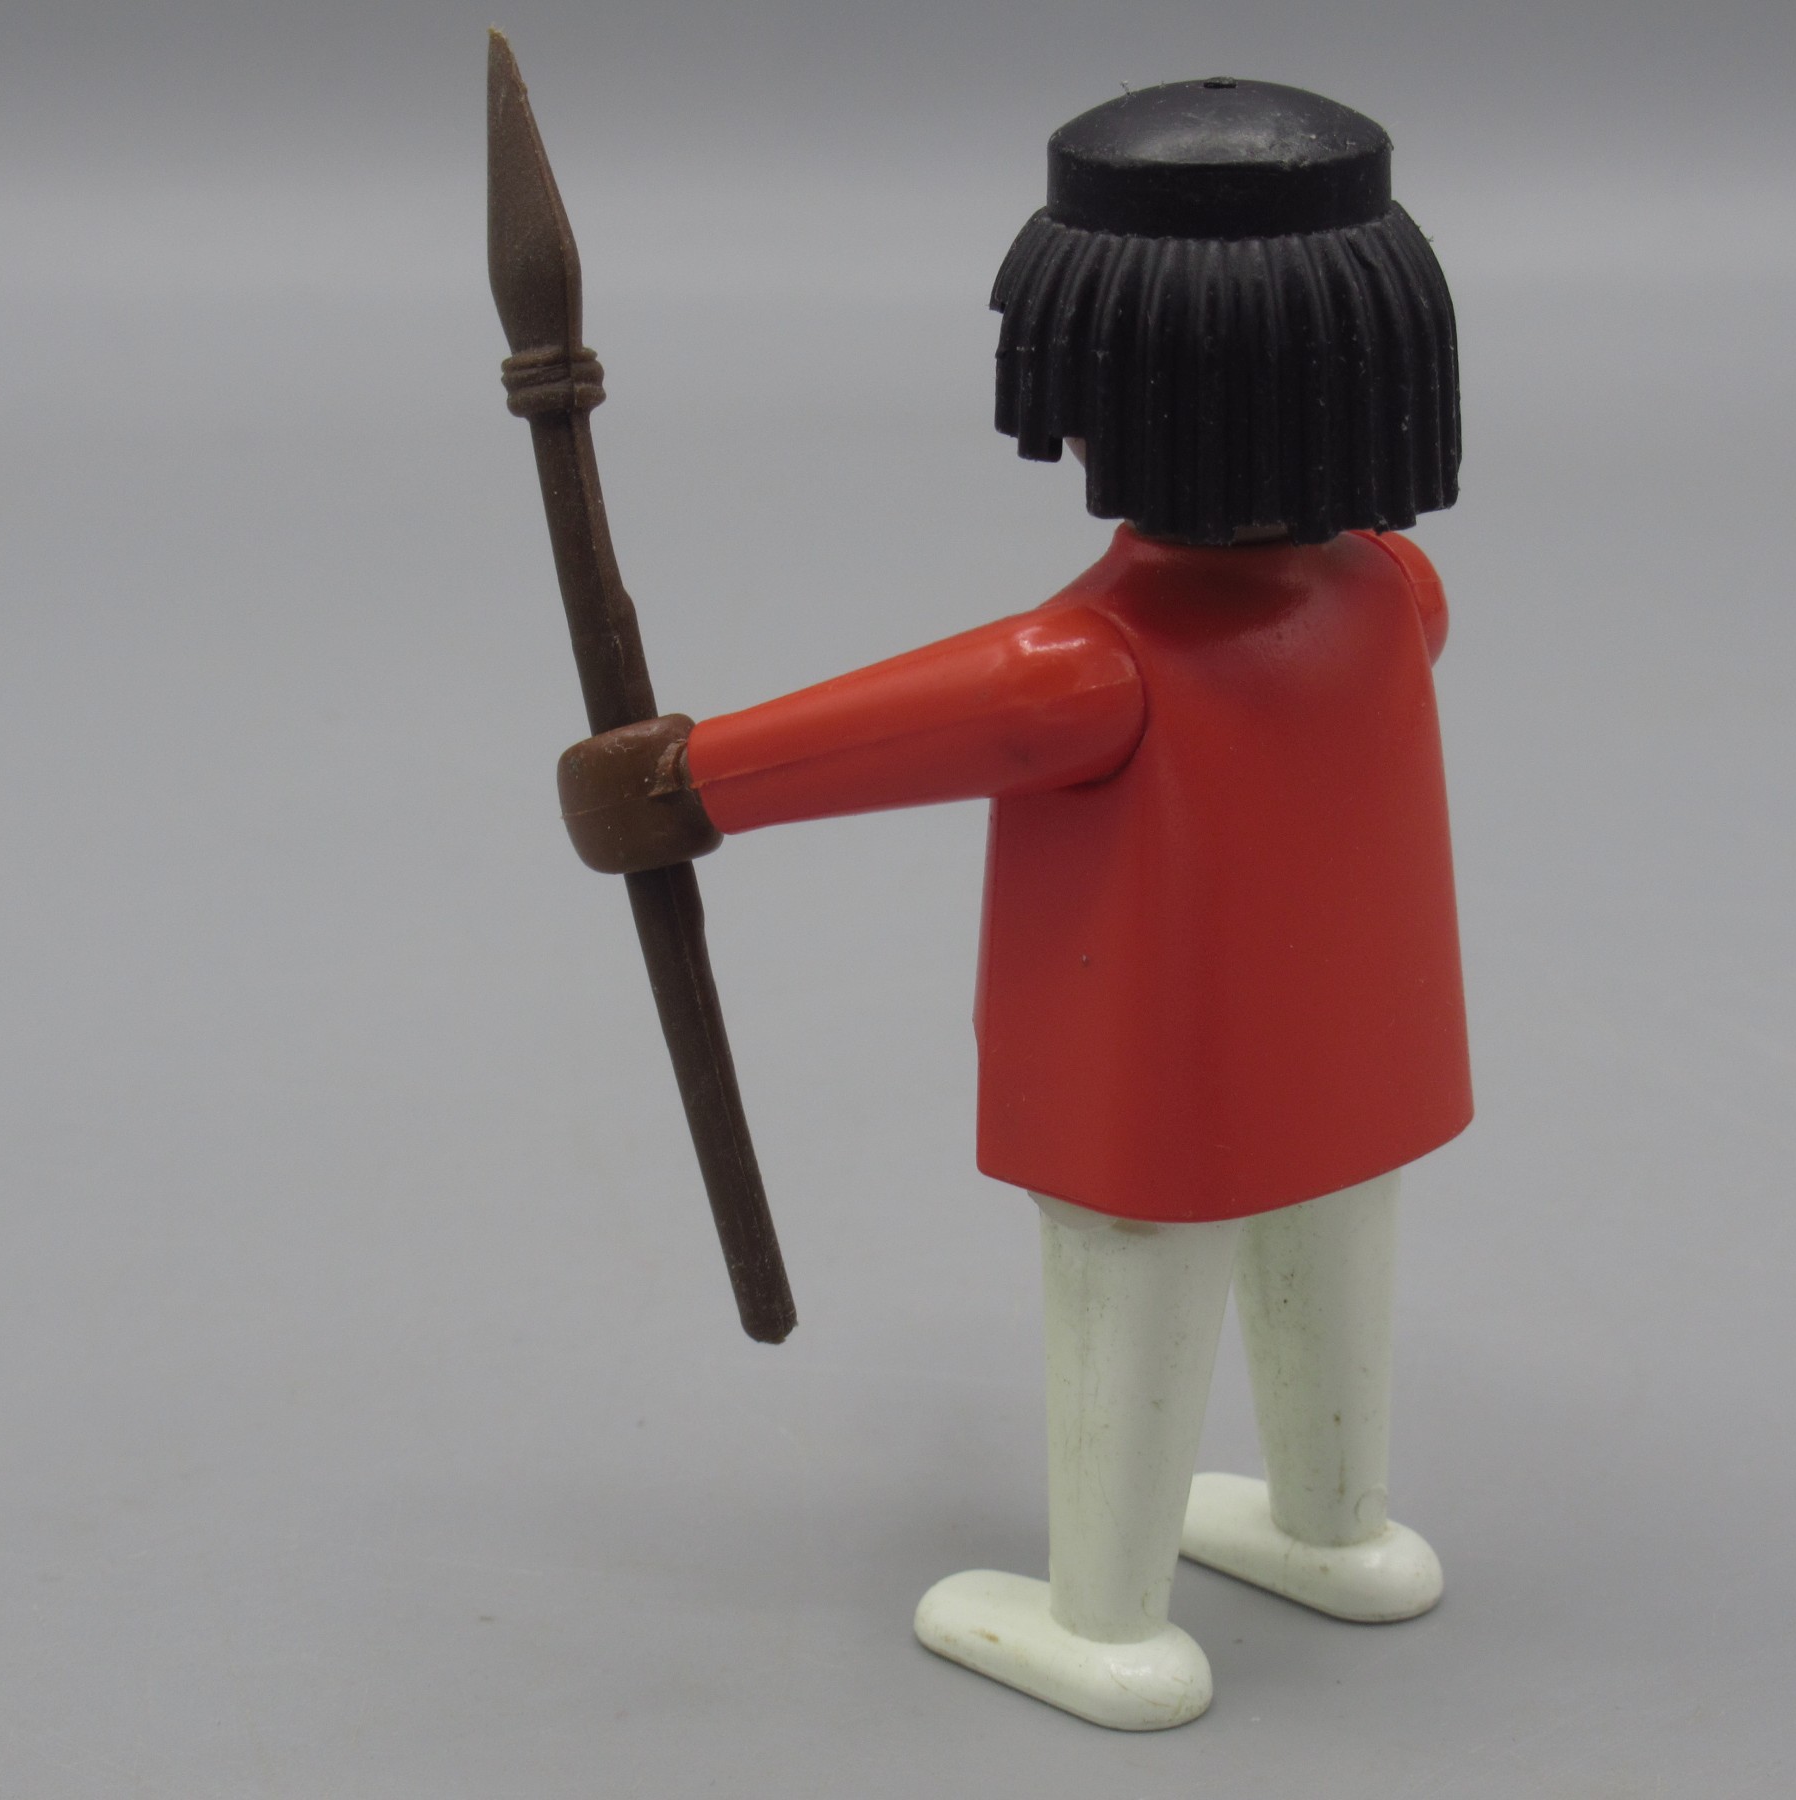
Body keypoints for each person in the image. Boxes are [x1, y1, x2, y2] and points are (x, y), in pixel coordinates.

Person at [556, 76, 1470, 1730]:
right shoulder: (1397, 593)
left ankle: (1105, 1618)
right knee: (1335, 1253)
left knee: (1133, 1295)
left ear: (1105, 393)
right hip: (1364, 1059)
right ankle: (1336, 1522)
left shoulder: (1092, 662)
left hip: (1154, 1085)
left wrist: (683, 780)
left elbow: (896, 728)